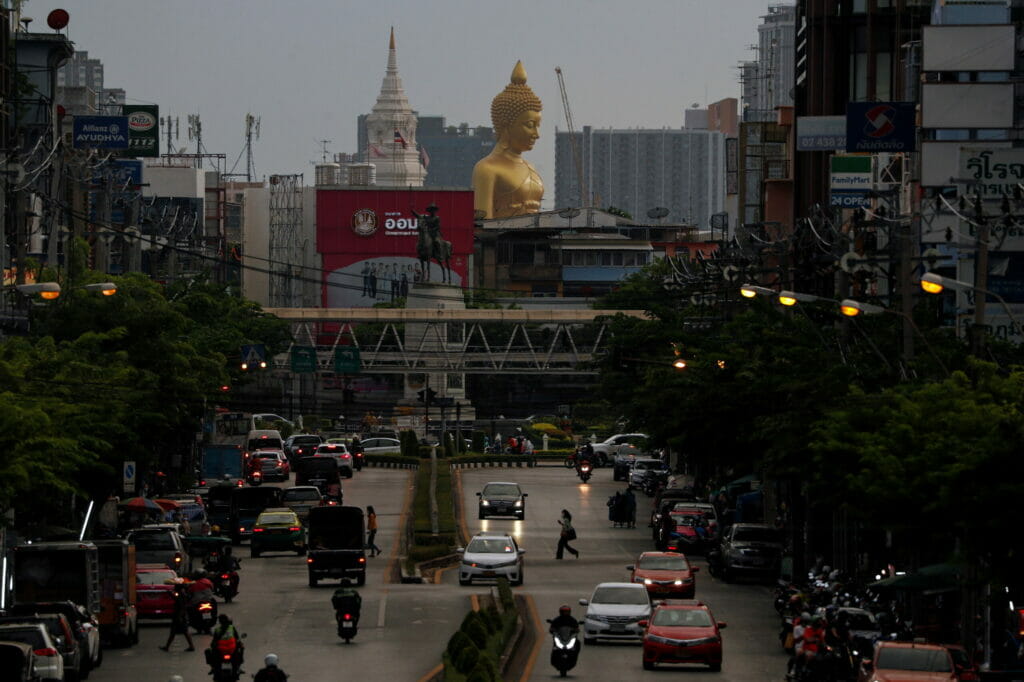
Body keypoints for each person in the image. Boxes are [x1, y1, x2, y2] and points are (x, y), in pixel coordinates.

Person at [472, 61, 544, 219]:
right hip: (502, 241)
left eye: (537, 126)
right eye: (530, 125)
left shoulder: (530, 168)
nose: (536, 134)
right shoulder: (487, 168)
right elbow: (482, 223)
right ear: (506, 125)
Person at [160, 584, 195, 651]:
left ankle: (167, 647)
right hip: (181, 615)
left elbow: (181, 606)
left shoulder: (181, 595)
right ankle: (191, 646)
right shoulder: (183, 594)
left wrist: (179, 617)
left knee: (175, 632)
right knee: (184, 632)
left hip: (179, 616)